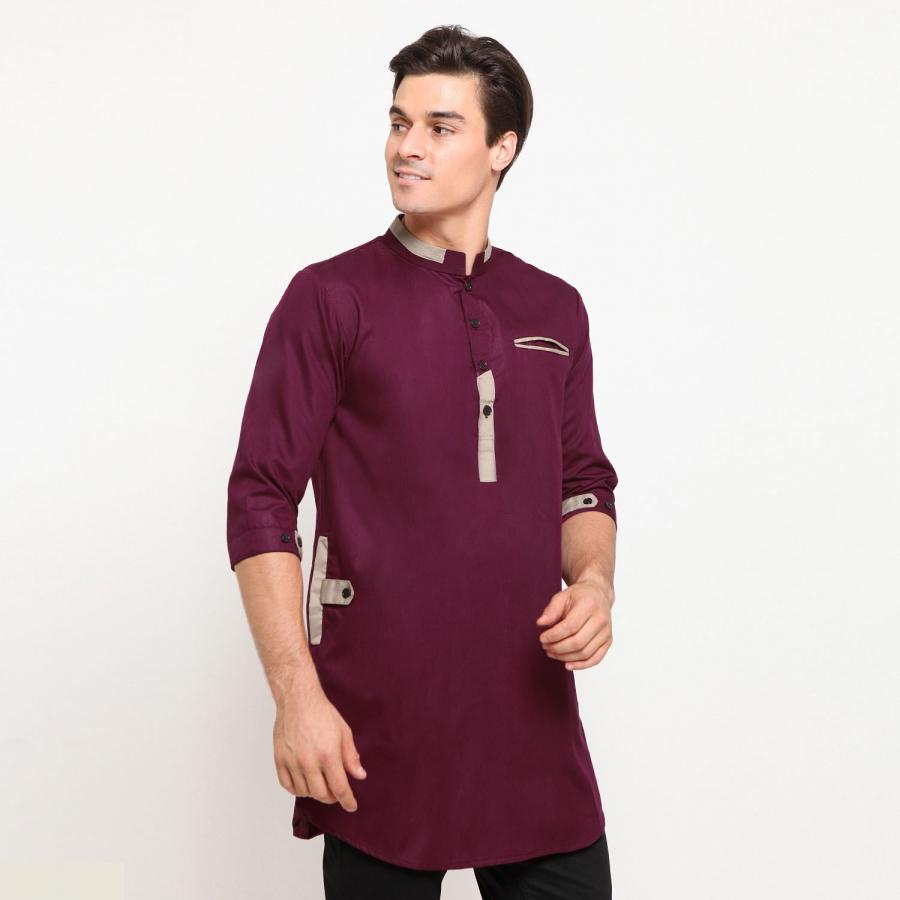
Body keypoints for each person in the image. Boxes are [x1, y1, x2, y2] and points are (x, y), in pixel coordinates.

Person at [226, 24, 619, 899]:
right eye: (400, 123)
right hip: (375, 728)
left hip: (530, 726)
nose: (408, 146)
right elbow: (260, 498)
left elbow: (584, 482)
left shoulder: (555, 307)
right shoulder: (329, 298)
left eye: (441, 127)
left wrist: (593, 584)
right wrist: (296, 697)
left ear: (502, 148)